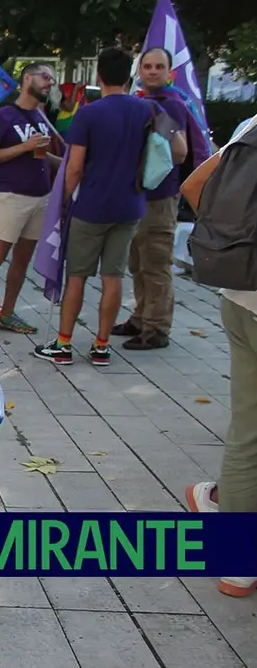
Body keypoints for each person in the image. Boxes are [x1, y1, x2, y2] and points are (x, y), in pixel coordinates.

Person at [34, 47, 186, 366]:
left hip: (91, 205)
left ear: (99, 76)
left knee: (77, 276)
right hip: (130, 205)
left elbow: (74, 167)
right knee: (113, 276)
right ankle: (101, 346)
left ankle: (63, 344)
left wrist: (61, 203)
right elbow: (180, 150)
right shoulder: (151, 110)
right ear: (131, 75)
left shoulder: (88, 113)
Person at [180, 114, 257, 598]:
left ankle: (237, 565)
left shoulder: (253, 125)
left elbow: (195, 185)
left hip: (243, 296)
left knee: (248, 431)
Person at [113, 47, 207, 350]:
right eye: (147, 66)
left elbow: (178, 152)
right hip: (139, 196)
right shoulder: (146, 102)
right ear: (139, 72)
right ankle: (141, 317)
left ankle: (156, 329)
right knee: (138, 262)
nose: (152, 71)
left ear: (170, 73)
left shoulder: (169, 105)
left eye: (159, 67)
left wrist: (157, 120)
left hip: (159, 197)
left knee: (155, 263)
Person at [0, 62, 60, 334]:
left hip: (41, 197)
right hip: (12, 196)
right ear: (28, 79)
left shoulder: (41, 116)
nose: (50, 83)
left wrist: (71, 163)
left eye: (52, 79)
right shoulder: (3, 116)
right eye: (45, 77)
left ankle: (7, 313)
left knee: (23, 260)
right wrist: (24, 146)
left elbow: (39, 156)